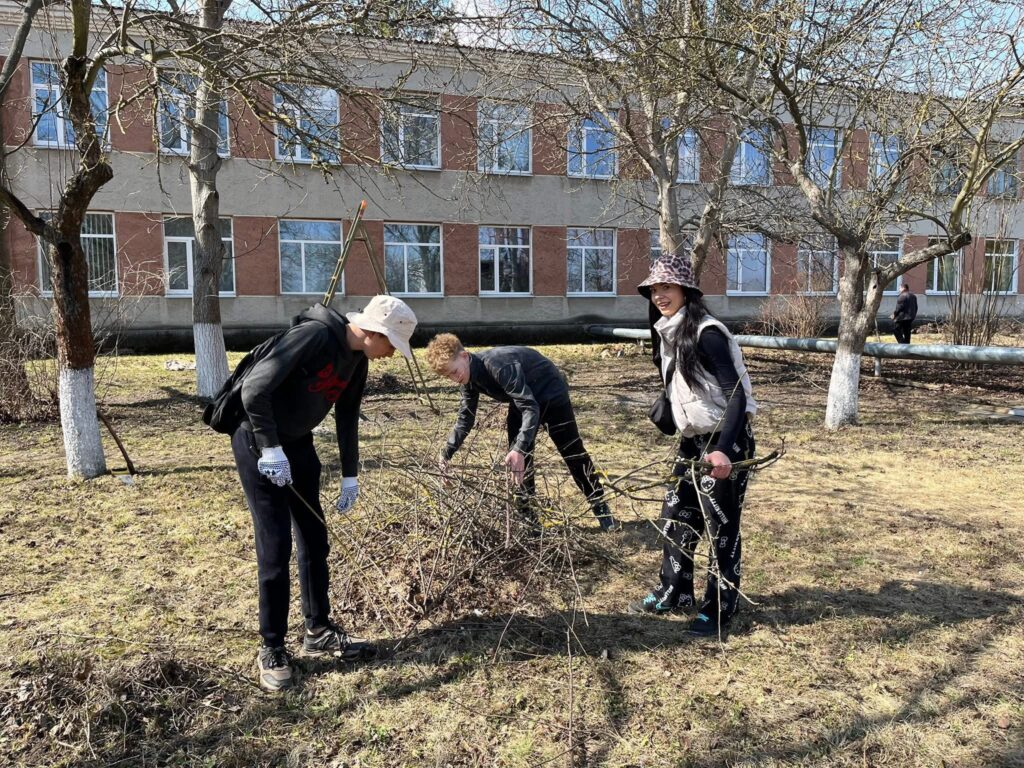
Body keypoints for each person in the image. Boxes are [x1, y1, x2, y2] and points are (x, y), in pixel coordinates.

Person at [231, 295, 417, 691]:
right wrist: (270, 448)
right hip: (258, 441)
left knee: (315, 539)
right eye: (391, 345)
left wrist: (350, 474)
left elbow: (347, 416)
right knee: (275, 545)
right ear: (373, 332)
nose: (391, 355)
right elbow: (254, 390)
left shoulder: (358, 360)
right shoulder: (313, 336)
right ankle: (272, 646)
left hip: (297, 443)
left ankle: (317, 629)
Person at [627, 252, 757, 638]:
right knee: (675, 514)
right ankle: (674, 592)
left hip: (726, 439)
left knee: (721, 525)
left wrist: (724, 450)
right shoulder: (667, 332)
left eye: (667, 287)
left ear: (686, 291)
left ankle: (718, 608)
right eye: (654, 289)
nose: (659, 295)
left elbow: (736, 395)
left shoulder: (707, 333)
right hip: (693, 441)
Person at [425, 334, 620, 532]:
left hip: (551, 394)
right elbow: (465, 418)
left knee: (573, 452)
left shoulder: (498, 365)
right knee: (517, 462)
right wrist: (445, 454)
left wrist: (519, 448)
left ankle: (601, 507)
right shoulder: (468, 379)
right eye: (448, 376)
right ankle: (528, 519)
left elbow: (530, 408)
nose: (454, 378)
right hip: (523, 401)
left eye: (454, 371)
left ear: (465, 356)